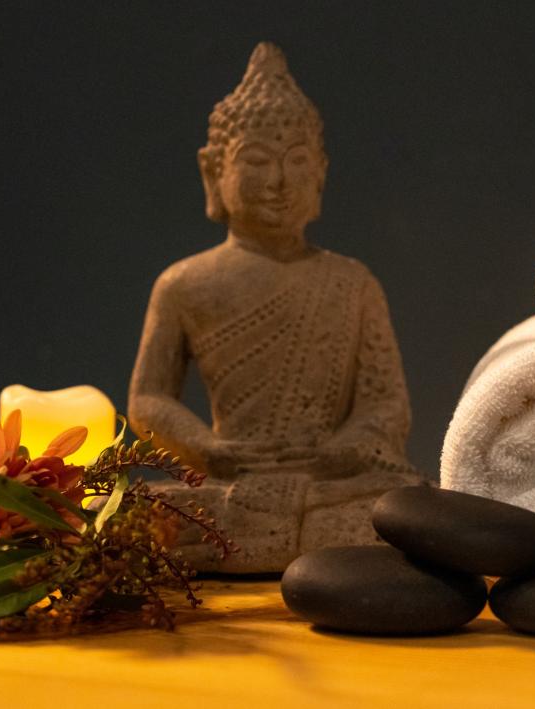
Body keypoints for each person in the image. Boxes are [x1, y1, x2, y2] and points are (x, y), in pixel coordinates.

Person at [129, 42, 421, 572]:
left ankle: (260, 542)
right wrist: (206, 448)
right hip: (229, 481)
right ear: (213, 172)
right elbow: (148, 399)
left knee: (407, 504)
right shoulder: (184, 284)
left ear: (321, 172)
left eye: (297, 161)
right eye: (257, 161)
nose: (279, 181)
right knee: (137, 512)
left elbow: (387, 405)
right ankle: (285, 540)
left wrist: (343, 451)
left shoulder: (353, 283)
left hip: (328, 485)